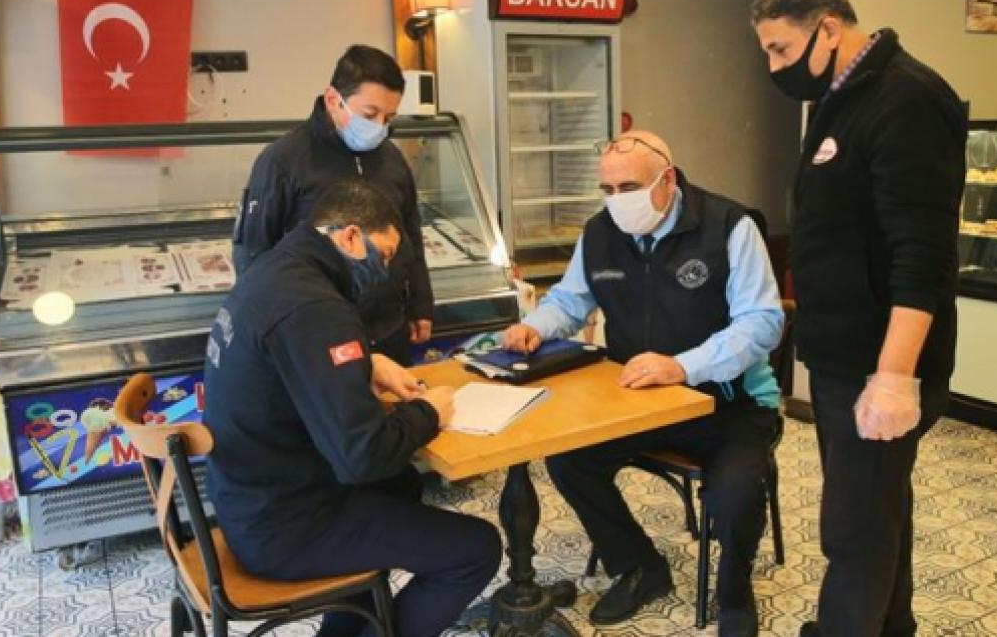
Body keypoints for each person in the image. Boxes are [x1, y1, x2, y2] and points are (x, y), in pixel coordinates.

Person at [750, 0, 966, 635]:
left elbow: (922, 256)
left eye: (781, 49)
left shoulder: (907, 99)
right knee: (878, 512)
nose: (774, 67)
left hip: (881, 364)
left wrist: (894, 376)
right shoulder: (841, 97)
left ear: (829, 29)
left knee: (854, 531)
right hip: (844, 358)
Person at [503, 130, 784, 637]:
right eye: (607, 190)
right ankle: (640, 566)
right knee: (568, 460)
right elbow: (570, 301)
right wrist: (535, 327)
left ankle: (735, 590)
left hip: (727, 403)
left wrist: (684, 367)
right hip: (636, 401)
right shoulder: (600, 232)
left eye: (628, 188)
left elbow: (762, 323)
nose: (617, 201)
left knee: (735, 493)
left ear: (667, 179)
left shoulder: (729, 226)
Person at [204, 178, 501, 637]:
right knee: (476, 549)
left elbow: (288, 363)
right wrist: (429, 412)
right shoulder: (316, 308)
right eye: (384, 254)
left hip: (247, 498)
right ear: (348, 237)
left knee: (401, 486)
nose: (387, 268)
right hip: (286, 526)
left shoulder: (275, 272)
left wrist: (367, 362)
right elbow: (363, 457)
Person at [233, 44, 433, 365]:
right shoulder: (283, 160)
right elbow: (254, 253)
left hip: (388, 329)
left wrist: (420, 303)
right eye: (370, 115)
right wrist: (272, 330)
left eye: (389, 117)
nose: (379, 126)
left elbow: (411, 232)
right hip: (317, 336)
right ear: (332, 100)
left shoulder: (392, 159)